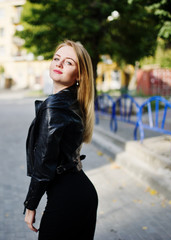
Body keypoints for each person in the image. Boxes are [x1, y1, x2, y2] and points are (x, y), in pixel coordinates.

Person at [23, 40, 98, 240]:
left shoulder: (55, 106)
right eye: (57, 58)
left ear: (79, 74)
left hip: (67, 199)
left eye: (68, 62)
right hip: (82, 194)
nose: (59, 64)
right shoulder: (73, 101)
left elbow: (44, 162)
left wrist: (30, 205)